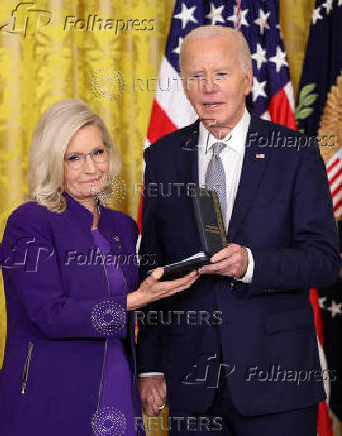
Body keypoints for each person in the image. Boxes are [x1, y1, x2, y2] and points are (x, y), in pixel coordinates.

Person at [137, 26, 341, 436]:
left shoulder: (295, 154)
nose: (208, 88)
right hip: (191, 382)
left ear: (247, 80)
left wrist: (252, 263)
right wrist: (152, 365)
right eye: (196, 76)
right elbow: (153, 265)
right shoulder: (162, 157)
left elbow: (324, 262)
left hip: (276, 383)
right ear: (184, 85)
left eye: (221, 74)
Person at [0, 99, 198, 436]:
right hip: (50, 400)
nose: (91, 168)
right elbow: (50, 314)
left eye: (97, 153)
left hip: (118, 391)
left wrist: (150, 369)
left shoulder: (122, 227)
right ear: (51, 163)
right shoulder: (29, 222)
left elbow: (148, 312)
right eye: (73, 158)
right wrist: (133, 300)